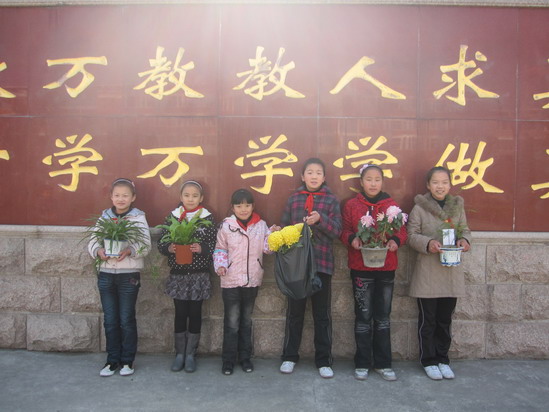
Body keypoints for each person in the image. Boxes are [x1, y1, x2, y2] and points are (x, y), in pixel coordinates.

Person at [340, 164, 407, 381]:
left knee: (383, 317)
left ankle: (383, 363)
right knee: (363, 316)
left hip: (386, 268)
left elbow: (402, 231)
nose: (373, 183)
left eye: (377, 179)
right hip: (361, 267)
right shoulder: (352, 205)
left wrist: (396, 241)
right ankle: (362, 363)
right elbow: (344, 230)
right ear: (361, 182)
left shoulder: (392, 206)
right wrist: (352, 239)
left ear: (382, 182)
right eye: (369, 179)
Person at [279, 158, 342, 379]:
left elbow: (337, 231)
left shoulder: (331, 201)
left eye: (318, 173)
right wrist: (280, 232)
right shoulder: (294, 200)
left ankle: (323, 360)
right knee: (295, 313)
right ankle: (289, 356)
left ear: (324, 177)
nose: (314, 176)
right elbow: (285, 227)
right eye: (310, 172)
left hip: (321, 264)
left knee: (321, 314)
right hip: (297, 266)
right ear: (302, 176)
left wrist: (320, 220)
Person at [407, 166, 471, 380]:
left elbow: (465, 229)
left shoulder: (457, 207)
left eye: (444, 182)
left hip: (451, 271)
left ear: (450, 185)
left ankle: (443, 359)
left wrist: (464, 241)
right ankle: (428, 361)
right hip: (428, 272)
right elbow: (411, 235)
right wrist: (428, 243)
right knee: (428, 320)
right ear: (428, 185)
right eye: (435, 182)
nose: (440, 186)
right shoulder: (419, 208)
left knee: (445, 320)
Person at [88, 178, 151, 377]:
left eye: (125, 195)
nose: (121, 199)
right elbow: (92, 242)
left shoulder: (138, 217)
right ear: (111, 197)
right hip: (106, 274)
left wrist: (130, 251)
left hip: (128, 276)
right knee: (110, 320)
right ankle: (112, 361)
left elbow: (146, 245)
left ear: (133, 197)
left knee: (126, 319)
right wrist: (98, 251)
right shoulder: (104, 217)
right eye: (117, 195)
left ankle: (127, 361)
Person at [213, 189, 276, 375]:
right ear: (232, 207)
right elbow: (220, 248)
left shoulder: (261, 225)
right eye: (239, 206)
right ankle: (228, 361)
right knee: (232, 322)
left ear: (253, 206)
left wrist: (273, 235)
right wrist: (220, 265)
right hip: (230, 280)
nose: (243, 209)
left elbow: (267, 249)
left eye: (247, 205)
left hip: (252, 280)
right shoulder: (226, 226)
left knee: (246, 321)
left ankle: (245, 358)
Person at [158, 180, 217, 373]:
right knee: (180, 313)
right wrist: (169, 248)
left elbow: (215, 244)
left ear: (201, 198)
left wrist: (202, 248)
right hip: (179, 275)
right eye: (187, 195)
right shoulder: (173, 217)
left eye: (194, 196)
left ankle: (191, 353)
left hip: (199, 275)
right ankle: (180, 353)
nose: (190, 199)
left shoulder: (207, 217)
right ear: (180, 197)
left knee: (195, 313)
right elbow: (161, 242)